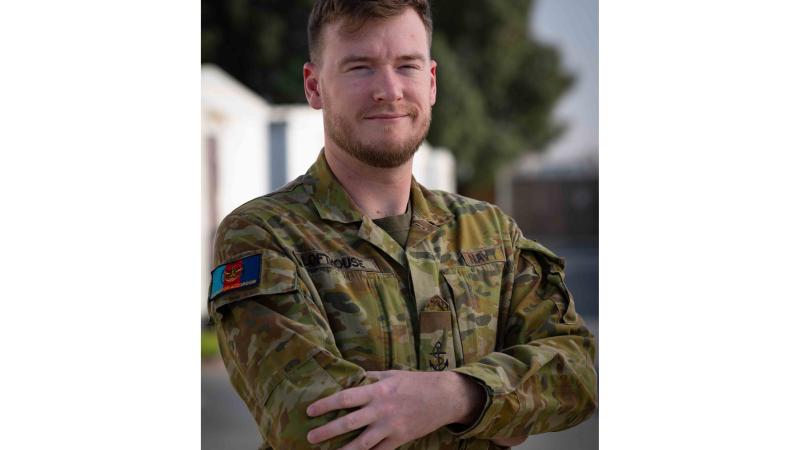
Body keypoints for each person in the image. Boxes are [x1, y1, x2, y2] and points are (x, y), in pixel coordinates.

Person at [207, 1, 598, 449]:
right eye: (360, 67)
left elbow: (578, 372)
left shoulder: (490, 232)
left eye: (406, 66)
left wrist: (457, 396)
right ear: (315, 87)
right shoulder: (265, 235)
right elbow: (316, 426)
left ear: (430, 82)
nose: (389, 90)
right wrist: (503, 411)